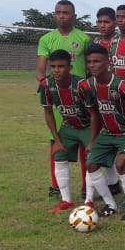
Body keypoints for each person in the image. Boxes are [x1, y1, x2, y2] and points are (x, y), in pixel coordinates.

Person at [78, 44, 125, 218]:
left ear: (108, 62)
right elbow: (93, 113)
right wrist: (92, 141)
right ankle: (110, 205)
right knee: (91, 165)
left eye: (97, 61)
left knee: (121, 163)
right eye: (89, 62)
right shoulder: (86, 86)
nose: (92, 65)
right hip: (107, 132)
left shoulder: (124, 87)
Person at [35, 0, 91, 198]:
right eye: (58, 12)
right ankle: (56, 185)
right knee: (56, 140)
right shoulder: (46, 39)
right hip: (58, 97)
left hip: (80, 98)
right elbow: (41, 68)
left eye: (66, 12)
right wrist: (43, 82)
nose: (62, 16)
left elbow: (89, 67)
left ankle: (87, 186)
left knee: (86, 143)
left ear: (73, 16)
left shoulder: (83, 39)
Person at [38, 49, 91, 213]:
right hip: (68, 125)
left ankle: (89, 201)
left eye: (61, 66)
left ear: (70, 67)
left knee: (92, 162)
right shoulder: (47, 85)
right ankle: (66, 200)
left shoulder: (82, 85)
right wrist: (57, 140)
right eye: (52, 66)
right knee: (59, 156)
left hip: (88, 125)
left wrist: (94, 138)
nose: (56, 70)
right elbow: (48, 112)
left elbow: (95, 114)